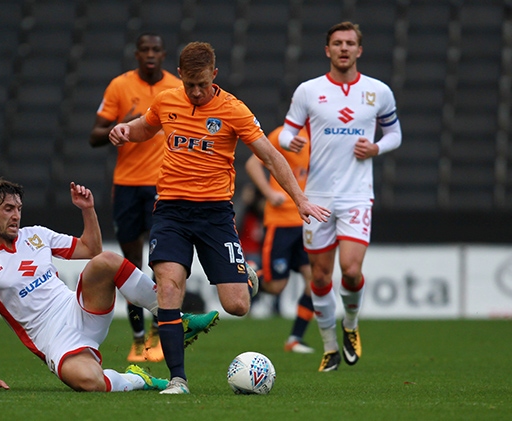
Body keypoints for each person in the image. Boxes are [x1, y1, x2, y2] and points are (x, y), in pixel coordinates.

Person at [109, 41, 331, 394]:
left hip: (214, 215)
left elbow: (271, 157)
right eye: (189, 84)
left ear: (215, 74)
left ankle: (245, 274)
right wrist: (123, 131)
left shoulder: (233, 110)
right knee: (168, 288)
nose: (196, 92)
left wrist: (300, 199)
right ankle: (178, 378)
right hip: (170, 211)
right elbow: (143, 128)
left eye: (202, 84)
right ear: (179, 75)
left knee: (237, 305)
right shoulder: (167, 100)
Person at [0, 178, 218, 392]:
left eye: (18, 208)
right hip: (52, 339)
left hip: (77, 308)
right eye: (8, 209)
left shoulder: (36, 235)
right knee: (89, 380)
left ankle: (175, 318)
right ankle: (139, 379)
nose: (16, 215)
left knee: (105, 259)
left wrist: (87, 209)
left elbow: (91, 249)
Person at [279, 22, 402, 372]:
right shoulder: (309, 91)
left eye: (350, 43)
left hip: (357, 195)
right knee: (319, 277)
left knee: (350, 270)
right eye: (337, 43)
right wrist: (293, 141)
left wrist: (376, 147)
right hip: (316, 196)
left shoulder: (378, 92)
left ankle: (350, 324)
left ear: (359, 50)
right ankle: (330, 347)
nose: (344, 48)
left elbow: (395, 134)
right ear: (327, 50)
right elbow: (285, 134)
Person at [89, 33, 181, 363]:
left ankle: (157, 333)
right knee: (132, 266)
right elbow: (95, 136)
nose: (151, 54)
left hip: (163, 185)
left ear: (164, 53)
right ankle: (138, 337)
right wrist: (123, 125)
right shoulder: (119, 87)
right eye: (146, 50)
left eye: (157, 49)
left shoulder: (176, 87)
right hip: (127, 185)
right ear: (137, 54)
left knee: (160, 264)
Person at [245, 126, 315, 353]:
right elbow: (252, 164)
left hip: (307, 223)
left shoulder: (322, 135)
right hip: (282, 220)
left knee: (315, 281)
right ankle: (249, 275)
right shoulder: (284, 134)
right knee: (276, 287)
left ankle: (295, 338)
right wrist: (268, 193)